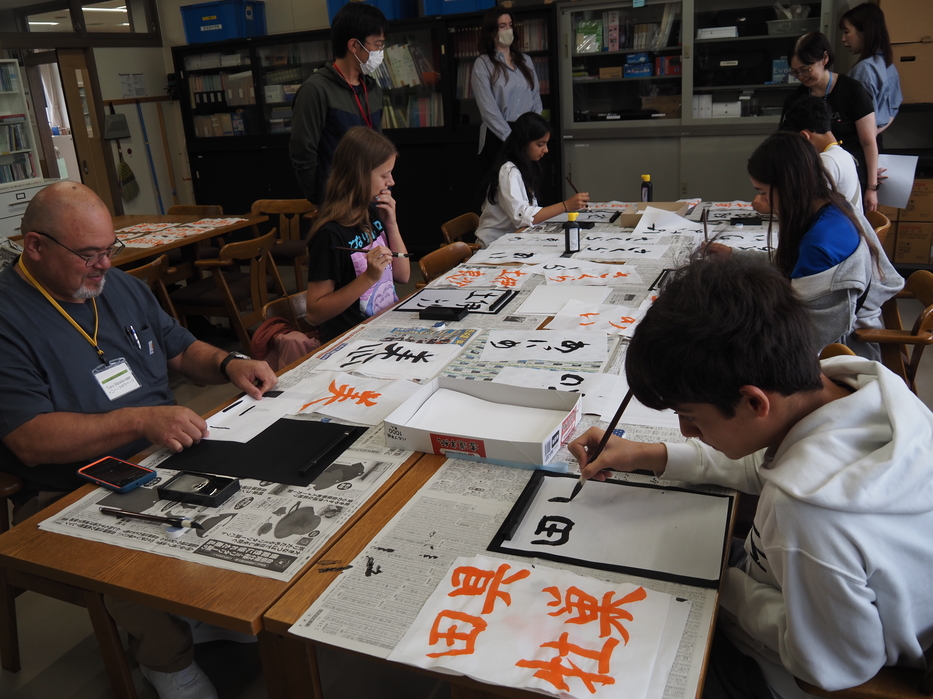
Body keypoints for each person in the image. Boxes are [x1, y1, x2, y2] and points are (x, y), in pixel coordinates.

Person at [569, 255, 933, 699]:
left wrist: (722, 580)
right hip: (807, 594)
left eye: (690, 416)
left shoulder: (808, 515)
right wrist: (649, 455)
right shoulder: (862, 397)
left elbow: (834, 665)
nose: (685, 431)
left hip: (784, 672)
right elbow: (767, 461)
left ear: (755, 402)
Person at [0, 182, 278, 699]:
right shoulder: (7, 317)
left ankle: (196, 611)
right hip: (74, 482)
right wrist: (139, 421)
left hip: (161, 448)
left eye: (110, 249)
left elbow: (181, 350)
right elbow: (30, 439)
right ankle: (166, 661)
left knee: (267, 486)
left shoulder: (120, 287)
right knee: (124, 536)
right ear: (34, 246)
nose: (104, 265)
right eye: (88, 254)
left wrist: (228, 363)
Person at [707, 131, 901, 359]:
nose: (762, 201)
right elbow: (790, 261)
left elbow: (804, 337)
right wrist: (734, 255)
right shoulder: (833, 206)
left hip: (838, 354)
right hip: (833, 335)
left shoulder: (819, 244)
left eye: (764, 193)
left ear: (788, 186)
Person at [305, 126, 410, 342]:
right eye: (384, 175)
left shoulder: (371, 212)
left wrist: (391, 224)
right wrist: (368, 278)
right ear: (360, 176)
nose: (391, 182)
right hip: (355, 340)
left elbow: (403, 275)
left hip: (387, 325)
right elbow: (315, 313)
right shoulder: (330, 235)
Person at [289, 2, 386, 204]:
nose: (380, 52)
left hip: (373, 197)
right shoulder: (315, 90)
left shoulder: (372, 89)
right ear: (353, 46)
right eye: (377, 45)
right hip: (338, 202)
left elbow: (379, 147)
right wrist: (321, 200)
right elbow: (303, 153)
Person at [781, 32, 880, 211]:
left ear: (824, 58)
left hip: (849, 175)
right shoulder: (796, 99)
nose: (801, 76)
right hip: (812, 178)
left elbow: (868, 142)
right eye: (795, 72)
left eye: (806, 69)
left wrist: (872, 188)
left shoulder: (852, 90)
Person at [475, 112, 589, 248]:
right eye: (540, 144)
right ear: (523, 143)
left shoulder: (525, 166)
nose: (546, 150)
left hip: (515, 240)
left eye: (546, 144)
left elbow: (531, 211)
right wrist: (566, 205)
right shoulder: (508, 171)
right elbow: (522, 217)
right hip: (494, 246)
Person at [471, 6, 542, 175]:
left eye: (510, 25)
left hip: (526, 135)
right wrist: (512, 140)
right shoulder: (483, 64)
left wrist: (533, 132)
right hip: (498, 136)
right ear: (492, 31)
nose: (508, 30)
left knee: (527, 186)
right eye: (502, 26)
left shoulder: (526, 61)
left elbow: (535, 99)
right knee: (500, 188)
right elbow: (488, 110)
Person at [780, 97, 862, 213]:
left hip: (837, 223)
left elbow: (806, 208)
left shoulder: (826, 160)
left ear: (804, 136)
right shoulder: (842, 154)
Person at [840, 3, 902, 140]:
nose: (843, 39)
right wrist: (875, 132)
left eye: (847, 32)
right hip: (874, 139)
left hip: (859, 141)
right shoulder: (888, 65)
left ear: (864, 32)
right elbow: (893, 108)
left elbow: (860, 115)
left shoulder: (865, 69)